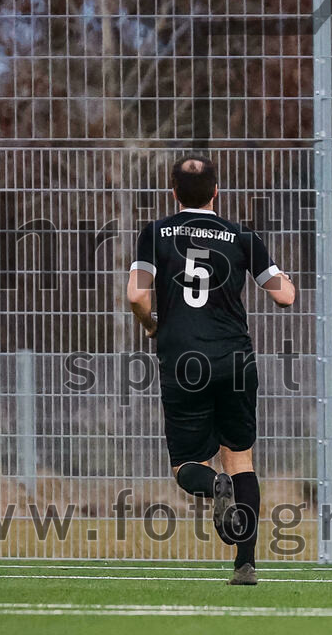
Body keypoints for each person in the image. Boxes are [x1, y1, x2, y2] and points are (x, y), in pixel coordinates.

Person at [126, 155, 295, 585]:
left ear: (174, 193)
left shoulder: (156, 232)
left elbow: (135, 296)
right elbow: (285, 297)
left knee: (186, 464)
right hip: (235, 359)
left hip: (183, 359)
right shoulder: (242, 236)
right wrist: (281, 277)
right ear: (217, 193)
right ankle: (245, 563)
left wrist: (152, 326)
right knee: (241, 459)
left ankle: (212, 484)